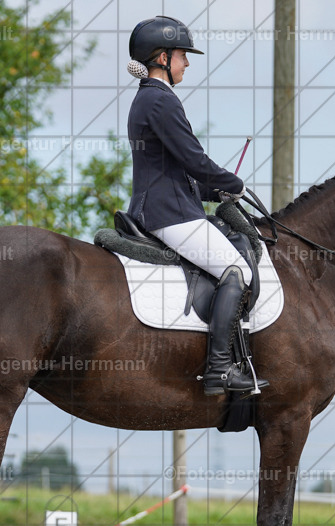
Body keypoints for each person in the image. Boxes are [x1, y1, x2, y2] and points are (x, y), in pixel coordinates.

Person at [126, 15, 268, 396]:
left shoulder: (148, 98)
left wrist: (213, 191)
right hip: (169, 214)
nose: (186, 63)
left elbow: (174, 171)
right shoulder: (160, 100)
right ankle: (219, 370)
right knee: (237, 271)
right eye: (181, 55)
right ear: (161, 57)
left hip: (163, 205)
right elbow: (194, 160)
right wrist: (232, 183)